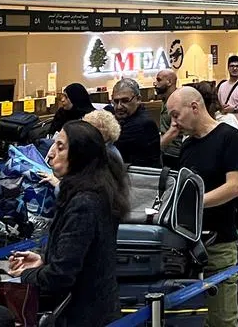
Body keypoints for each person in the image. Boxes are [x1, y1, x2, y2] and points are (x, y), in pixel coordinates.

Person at [10, 121, 129, 327]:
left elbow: (61, 276)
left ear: (79, 155)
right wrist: (44, 260)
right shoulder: (97, 192)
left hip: (82, 315)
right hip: (97, 309)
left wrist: (26, 275)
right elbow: (82, 256)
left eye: (61, 147)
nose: (50, 153)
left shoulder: (84, 203)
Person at [169, 87, 238, 327]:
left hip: (219, 244)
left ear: (194, 107)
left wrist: (193, 204)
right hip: (188, 244)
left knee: (223, 318)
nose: (174, 122)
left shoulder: (229, 137)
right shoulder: (187, 145)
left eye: (175, 115)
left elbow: (233, 186)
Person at [111, 78, 161, 168]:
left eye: (125, 101)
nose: (119, 106)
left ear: (138, 99)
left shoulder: (143, 124)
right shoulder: (128, 118)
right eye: (115, 101)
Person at [154, 69, 182, 170]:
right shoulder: (165, 99)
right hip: (167, 152)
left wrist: (156, 148)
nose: (156, 84)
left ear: (169, 82)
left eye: (159, 80)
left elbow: (175, 129)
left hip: (175, 153)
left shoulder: (177, 100)